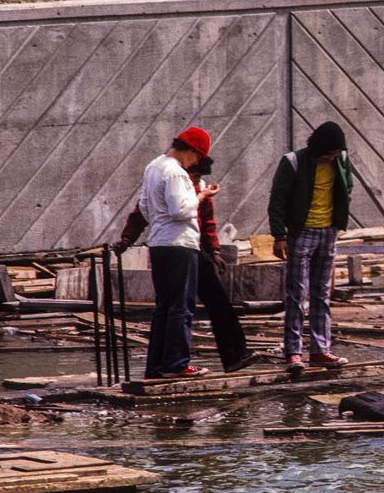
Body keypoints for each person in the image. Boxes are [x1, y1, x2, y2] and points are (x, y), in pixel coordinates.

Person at [114, 155, 261, 374]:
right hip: (179, 248)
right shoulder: (174, 182)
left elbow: (208, 222)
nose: (196, 178)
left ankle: (233, 356)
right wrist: (127, 239)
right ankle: (169, 364)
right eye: (194, 174)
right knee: (176, 306)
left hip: (194, 249)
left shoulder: (198, 187)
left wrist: (215, 251)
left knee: (215, 302)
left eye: (198, 176)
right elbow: (141, 213)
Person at [267, 121, 354, 374]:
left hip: (329, 232)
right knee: (296, 294)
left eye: (335, 154)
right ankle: (293, 352)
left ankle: (319, 349)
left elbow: (347, 187)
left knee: (322, 293)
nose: (332, 158)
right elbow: (278, 201)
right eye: (329, 153)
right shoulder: (293, 162)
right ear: (319, 149)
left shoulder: (342, 159)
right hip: (301, 232)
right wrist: (279, 235)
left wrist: (338, 220)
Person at [137, 126, 219, 379]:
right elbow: (180, 211)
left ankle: (156, 366)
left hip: (159, 244)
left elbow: (143, 206)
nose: (195, 162)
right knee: (182, 307)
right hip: (180, 245)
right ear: (190, 151)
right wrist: (202, 194)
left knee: (164, 307)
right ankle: (177, 363)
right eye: (196, 157)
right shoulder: (176, 173)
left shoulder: (153, 167)